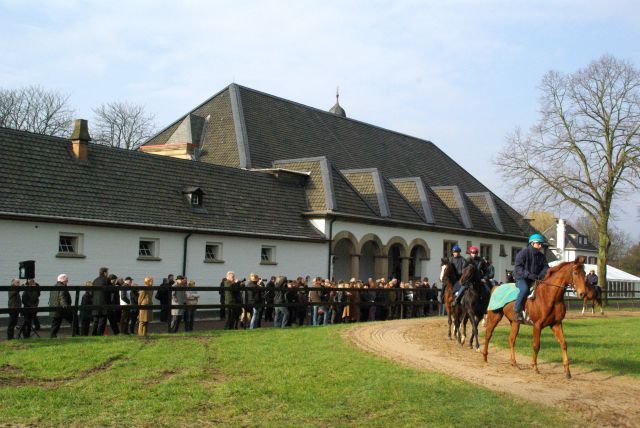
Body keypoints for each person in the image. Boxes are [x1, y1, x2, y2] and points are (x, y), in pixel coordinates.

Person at [514, 233, 549, 322]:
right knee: (525, 289)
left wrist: (540, 275)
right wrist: (528, 275)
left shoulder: (542, 256)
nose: (540, 245)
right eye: (539, 243)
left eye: (541, 244)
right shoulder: (523, 253)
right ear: (532, 243)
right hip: (522, 278)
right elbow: (518, 268)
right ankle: (517, 311)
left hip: (536, 278)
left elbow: (546, 267)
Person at [49, 274, 75, 338]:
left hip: (54, 309)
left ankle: (52, 336)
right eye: (66, 281)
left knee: (55, 323)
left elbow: (51, 298)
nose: (67, 283)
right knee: (74, 320)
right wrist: (65, 306)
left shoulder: (54, 286)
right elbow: (62, 297)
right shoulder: (63, 287)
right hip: (62, 309)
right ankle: (76, 334)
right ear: (64, 281)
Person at [91, 267, 109, 336]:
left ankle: (93, 334)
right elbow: (107, 292)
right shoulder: (106, 280)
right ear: (104, 272)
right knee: (102, 320)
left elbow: (92, 292)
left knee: (95, 320)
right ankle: (99, 334)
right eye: (107, 272)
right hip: (103, 302)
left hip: (95, 302)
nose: (107, 274)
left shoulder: (95, 280)